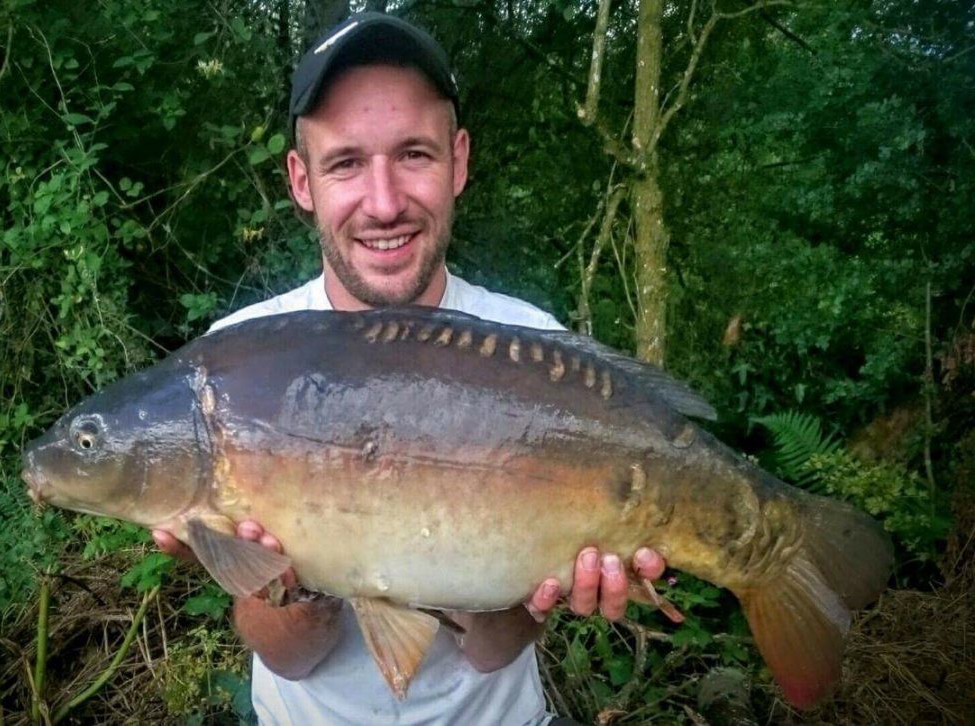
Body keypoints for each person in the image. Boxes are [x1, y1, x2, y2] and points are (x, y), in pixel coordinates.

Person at [153, 12, 666, 724]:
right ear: (302, 181)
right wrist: (289, 581)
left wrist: (537, 589)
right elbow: (291, 658)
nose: (385, 202)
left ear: (459, 160)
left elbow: (491, 652)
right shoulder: (239, 359)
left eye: (414, 155)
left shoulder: (538, 354)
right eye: (346, 163)